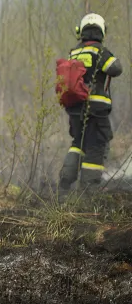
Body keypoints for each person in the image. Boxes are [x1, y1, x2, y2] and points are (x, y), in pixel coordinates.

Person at [59, 13, 122, 190]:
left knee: (78, 142)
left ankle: (64, 183)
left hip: (75, 110)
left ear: (81, 30)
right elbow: (115, 69)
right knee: (97, 145)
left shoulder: (75, 52)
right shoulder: (99, 51)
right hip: (96, 110)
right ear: (102, 31)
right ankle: (88, 191)